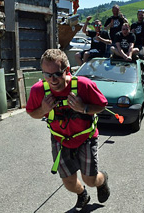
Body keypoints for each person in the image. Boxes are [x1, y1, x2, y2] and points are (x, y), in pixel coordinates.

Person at [26, 49, 110, 211]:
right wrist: (43, 109)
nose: (53, 79)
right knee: (69, 183)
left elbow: (101, 106)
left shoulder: (83, 85)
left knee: (90, 180)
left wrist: (84, 108)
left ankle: (103, 179)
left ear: (67, 70)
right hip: (60, 139)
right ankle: (82, 194)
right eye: (47, 75)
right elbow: (32, 113)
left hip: (86, 137)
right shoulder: (39, 91)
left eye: (57, 74)